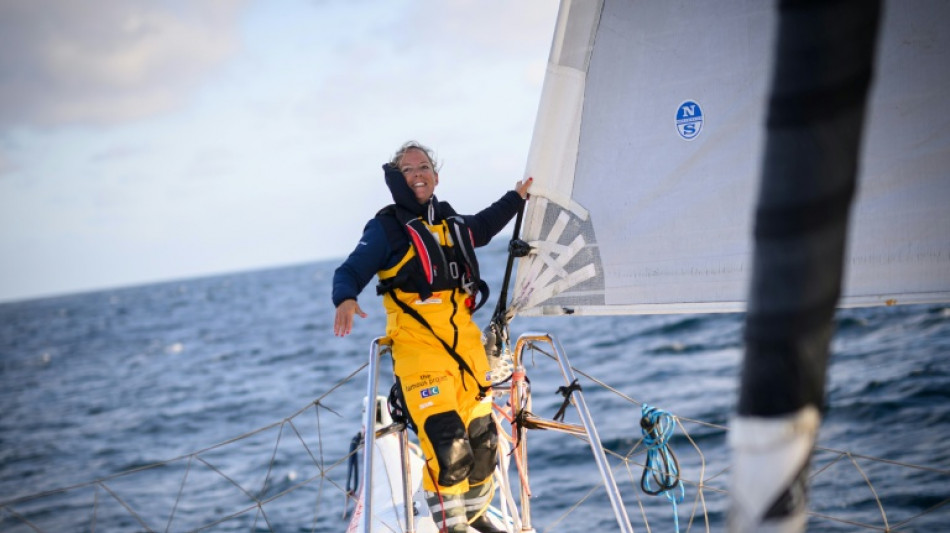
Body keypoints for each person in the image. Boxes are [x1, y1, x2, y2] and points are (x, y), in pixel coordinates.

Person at [333, 141, 531, 533]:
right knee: (448, 445)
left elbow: (485, 225)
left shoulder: (450, 222)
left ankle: (473, 515)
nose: (418, 174)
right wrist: (345, 299)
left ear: (436, 176)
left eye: (424, 166)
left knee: (484, 444)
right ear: (397, 179)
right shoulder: (386, 229)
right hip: (419, 354)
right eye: (408, 170)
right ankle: (450, 526)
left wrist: (517, 198)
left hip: (467, 352)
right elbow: (350, 270)